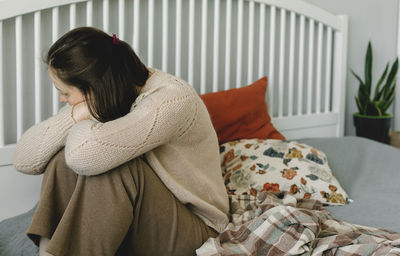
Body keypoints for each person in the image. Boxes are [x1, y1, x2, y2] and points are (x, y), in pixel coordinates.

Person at [13, 27, 229, 256]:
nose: (62, 99)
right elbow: (24, 160)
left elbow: (82, 155)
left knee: (113, 167)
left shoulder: (171, 100)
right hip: (143, 217)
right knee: (60, 160)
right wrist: (77, 114)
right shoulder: (111, 94)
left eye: (65, 93)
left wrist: (86, 113)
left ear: (94, 89)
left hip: (197, 229)